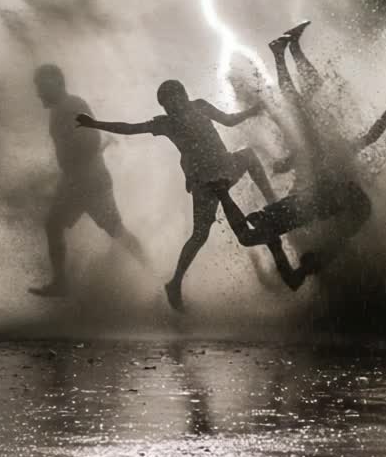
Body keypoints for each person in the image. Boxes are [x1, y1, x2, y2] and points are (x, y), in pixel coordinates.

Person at [208, 23, 386, 288]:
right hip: (328, 198)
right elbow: (370, 137)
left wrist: (231, 200)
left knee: (300, 111)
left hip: (319, 199)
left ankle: (282, 52)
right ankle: (283, 52)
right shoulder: (336, 229)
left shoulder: (312, 233)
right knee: (302, 109)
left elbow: (282, 261)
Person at [76, 79, 276, 312]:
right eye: (164, 105)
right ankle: (175, 282)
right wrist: (95, 124)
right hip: (205, 183)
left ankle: (272, 200)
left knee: (250, 156)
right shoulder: (166, 124)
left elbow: (229, 121)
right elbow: (130, 128)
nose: (168, 108)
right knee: (200, 235)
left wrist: (253, 110)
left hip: (227, 165)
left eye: (170, 102)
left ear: (182, 95)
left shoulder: (200, 106)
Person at [30, 64, 145, 298]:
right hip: (83, 180)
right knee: (112, 229)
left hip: (88, 182)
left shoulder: (72, 105)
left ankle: (62, 282)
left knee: (60, 225)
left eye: (41, 86)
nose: (38, 92)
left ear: (57, 83)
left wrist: (72, 169)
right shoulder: (61, 109)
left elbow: (91, 140)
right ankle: (155, 274)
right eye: (37, 87)